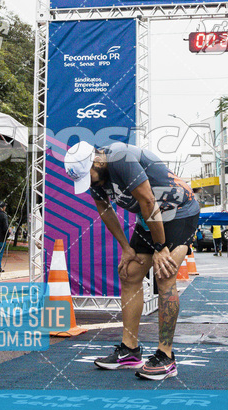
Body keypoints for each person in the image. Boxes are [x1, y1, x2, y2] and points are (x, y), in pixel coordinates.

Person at [64, 140, 200, 381]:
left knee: (165, 274)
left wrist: (160, 247)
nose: (91, 183)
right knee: (129, 273)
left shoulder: (121, 158)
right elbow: (105, 210)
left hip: (179, 210)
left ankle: (166, 356)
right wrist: (126, 248)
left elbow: (148, 201)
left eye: (90, 177)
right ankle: (129, 350)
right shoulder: (95, 174)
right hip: (151, 217)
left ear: (97, 160)